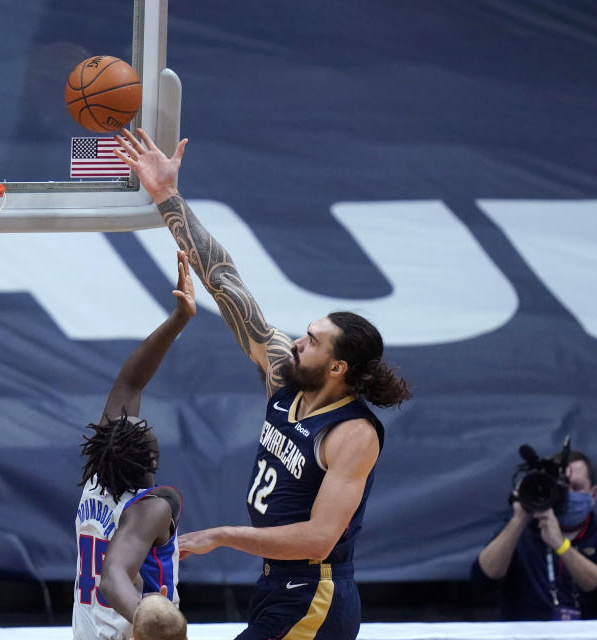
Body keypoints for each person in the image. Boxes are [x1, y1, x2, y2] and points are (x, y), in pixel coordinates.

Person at [115, 128, 412, 640]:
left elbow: (320, 539)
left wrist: (224, 536)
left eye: (314, 340)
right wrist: (167, 196)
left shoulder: (352, 433)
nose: (298, 341)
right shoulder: (284, 377)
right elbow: (227, 283)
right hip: (277, 586)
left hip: (316, 592)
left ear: (338, 368)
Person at [72, 250, 196, 640]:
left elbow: (130, 383)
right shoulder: (153, 507)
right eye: (139, 424)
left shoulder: (97, 477)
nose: (132, 415)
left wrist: (180, 318)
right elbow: (112, 579)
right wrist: (149, 619)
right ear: (153, 457)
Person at [472, 449, 597, 620]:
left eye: (576, 487)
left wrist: (561, 545)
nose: (567, 495)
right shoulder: (522, 530)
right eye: (561, 487)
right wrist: (519, 518)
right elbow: (483, 578)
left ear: (593, 494)